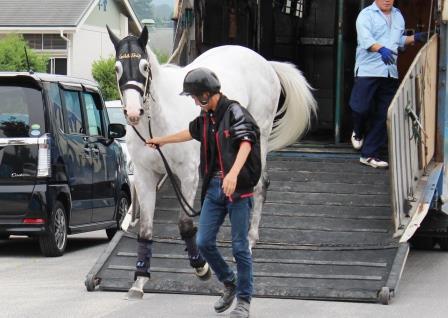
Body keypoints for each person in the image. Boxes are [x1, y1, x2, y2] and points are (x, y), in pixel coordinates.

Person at [146, 67, 261, 318]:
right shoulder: (206, 118)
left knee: (240, 247)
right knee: (203, 242)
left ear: (207, 94)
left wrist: (232, 174)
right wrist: (162, 140)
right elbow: (190, 132)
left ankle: (244, 301)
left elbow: (246, 142)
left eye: (194, 96)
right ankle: (229, 282)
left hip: (238, 191)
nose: (193, 101)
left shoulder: (235, 113)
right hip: (213, 190)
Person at [350, 0, 428, 168]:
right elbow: (365, 40)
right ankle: (357, 131)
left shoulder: (398, 16)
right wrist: (380, 49)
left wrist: (415, 38)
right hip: (368, 70)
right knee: (361, 107)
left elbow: (397, 41)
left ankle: (369, 154)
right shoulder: (366, 15)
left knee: (384, 114)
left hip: (389, 71)